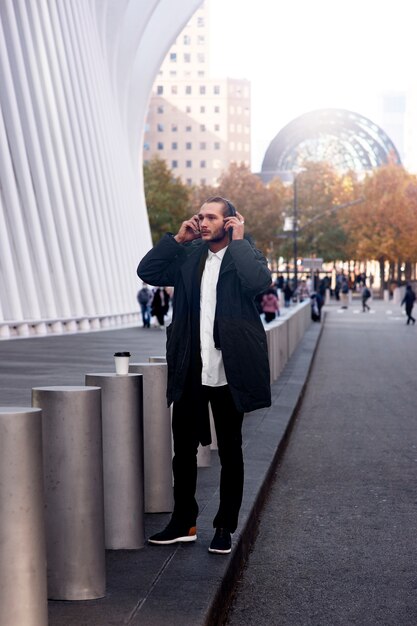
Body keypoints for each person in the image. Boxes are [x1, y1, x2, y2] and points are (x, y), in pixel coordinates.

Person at [137, 196, 271, 555]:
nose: (204, 222)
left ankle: (225, 526)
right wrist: (177, 239)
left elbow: (259, 282)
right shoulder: (188, 255)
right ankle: (184, 522)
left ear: (229, 222)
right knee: (182, 449)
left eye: (212, 217)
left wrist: (240, 242)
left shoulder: (245, 256)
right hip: (191, 367)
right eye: (201, 216)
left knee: (230, 450)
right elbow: (147, 272)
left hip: (229, 369)